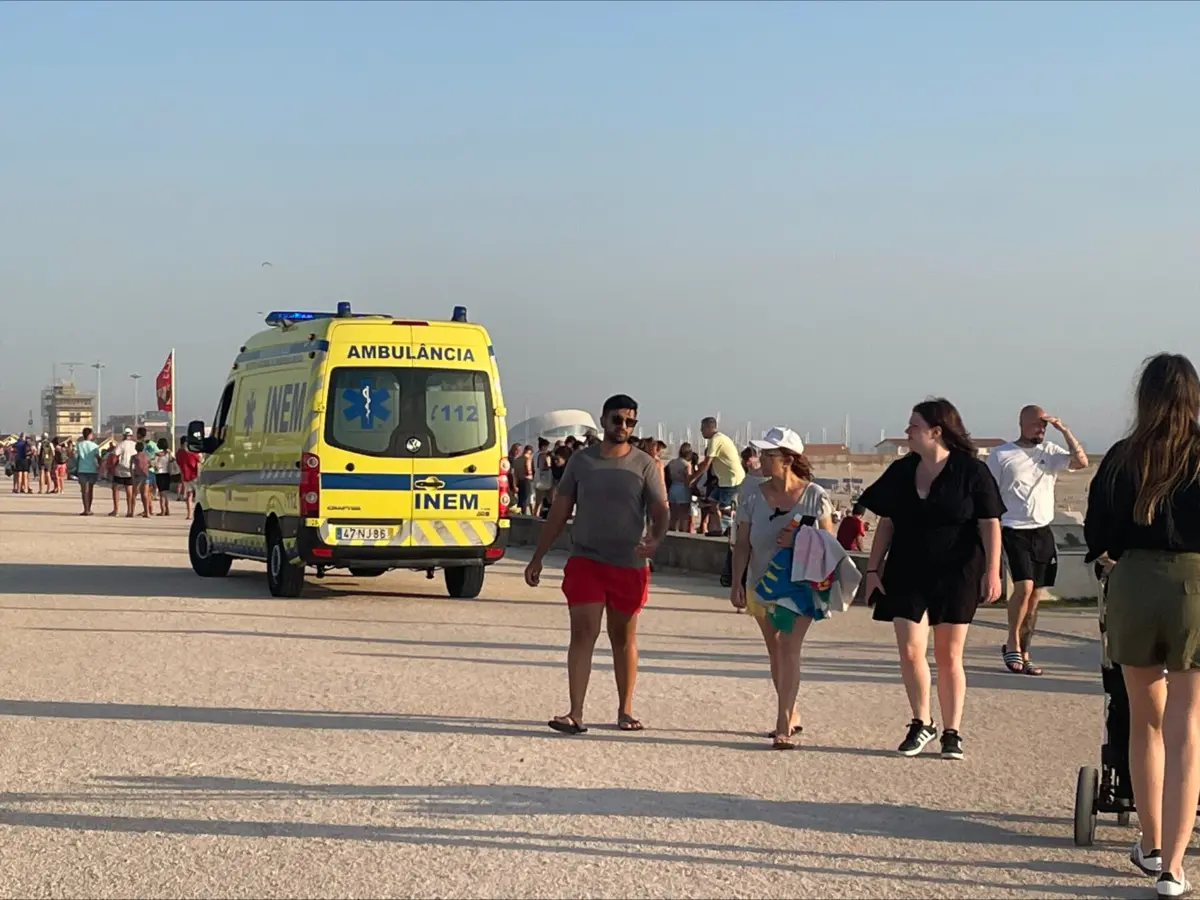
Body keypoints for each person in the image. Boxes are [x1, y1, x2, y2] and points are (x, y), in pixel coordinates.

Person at [1085, 353, 1200, 898]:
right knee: (1187, 727)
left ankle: (1150, 842)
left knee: (1142, 720)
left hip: (1132, 580)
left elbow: (1096, 532)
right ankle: (1175, 867)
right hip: (1196, 587)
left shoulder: (1123, 457)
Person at [860, 398, 1003, 761]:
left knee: (948, 654)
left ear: (935, 431)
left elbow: (990, 523)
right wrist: (872, 570)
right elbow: (886, 523)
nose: (907, 432)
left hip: (958, 570)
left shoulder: (971, 471)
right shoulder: (901, 471)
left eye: (913, 426)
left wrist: (992, 571)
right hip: (907, 568)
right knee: (910, 650)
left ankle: (952, 731)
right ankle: (921, 721)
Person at [524, 394, 669, 735]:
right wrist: (538, 555)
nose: (623, 427)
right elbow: (561, 508)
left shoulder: (644, 464)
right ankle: (575, 712)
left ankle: (625, 709)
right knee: (583, 633)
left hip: (629, 564)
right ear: (603, 420)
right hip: (586, 559)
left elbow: (660, 508)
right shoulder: (581, 461)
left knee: (622, 637)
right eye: (617, 420)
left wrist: (657, 538)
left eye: (630, 422)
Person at [730, 428, 834, 749]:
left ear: (787, 460)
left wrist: (800, 539)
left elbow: (830, 544)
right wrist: (736, 582)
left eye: (768, 455)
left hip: (801, 585)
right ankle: (791, 711)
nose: (760, 459)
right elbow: (742, 544)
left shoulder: (816, 495)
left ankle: (782, 724)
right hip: (760, 584)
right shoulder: (751, 496)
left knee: (789, 648)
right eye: (762, 453)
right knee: (775, 650)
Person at [987, 405, 1089, 676]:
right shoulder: (1001, 455)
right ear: (1022, 423)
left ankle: (1025, 650)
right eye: (1037, 425)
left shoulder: (1051, 452)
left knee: (1035, 595)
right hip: (1013, 529)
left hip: (1042, 530)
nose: (1041, 430)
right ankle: (1011, 642)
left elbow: (1081, 462)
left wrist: (1064, 430)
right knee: (1024, 586)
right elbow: (989, 496)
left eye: (1044, 426)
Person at [690, 417, 745, 524]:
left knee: (724, 508)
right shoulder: (720, 438)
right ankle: (718, 528)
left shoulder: (715, 440)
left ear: (709, 428)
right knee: (712, 503)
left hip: (731, 479)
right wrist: (695, 469)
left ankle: (742, 521)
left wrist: (692, 479)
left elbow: (706, 464)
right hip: (724, 480)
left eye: (702, 429)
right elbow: (706, 461)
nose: (701, 431)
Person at [665, 443, 695, 533]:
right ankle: (682, 534)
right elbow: (688, 480)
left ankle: (671, 533)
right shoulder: (687, 464)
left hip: (673, 487)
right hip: (683, 489)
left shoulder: (672, 462)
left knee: (673, 515)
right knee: (684, 515)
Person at [110, 428, 138, 517]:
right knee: (129, 491)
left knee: (115, 489)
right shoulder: (135, 445)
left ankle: (116, 510)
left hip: (120, 469)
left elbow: (115, 456)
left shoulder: (120, 444)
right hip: (131, 470)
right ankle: (129, 510)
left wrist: (112, 467)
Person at [73, 428, 101, 516]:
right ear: (90, 435)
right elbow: (98, 457)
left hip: (82, 469)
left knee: (84, 490)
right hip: (92, 469)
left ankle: (86, 509)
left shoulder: (79, 444)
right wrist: (100, 466)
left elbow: (74, 456)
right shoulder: (95, 446)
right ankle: (89, 508)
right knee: (91, 490)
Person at [174, 441, 201, 520]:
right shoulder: (193, 453)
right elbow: (200, 460)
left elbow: (178, 463)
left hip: (185, 477)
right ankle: (197, 513)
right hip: (195, 477)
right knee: (198, 496)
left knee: (189, 496)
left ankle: (189, 514)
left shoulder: (179, 453)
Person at [533, 438, 554, 517]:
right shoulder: (543, 455)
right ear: (543, 447)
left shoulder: (535, 455)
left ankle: (536, 515)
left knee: (538, 501)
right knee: (548, 499)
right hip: (544, 480)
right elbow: (543, 467)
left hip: (537, 479)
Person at [152, 438, 174, 516]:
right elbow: (172, 460)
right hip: (167, 474)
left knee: (161, 494)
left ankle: (163, 510)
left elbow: (155, 464)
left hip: (159, 474)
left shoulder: (157, 454)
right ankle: (167, 509)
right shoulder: (169, 453)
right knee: (165, 493)